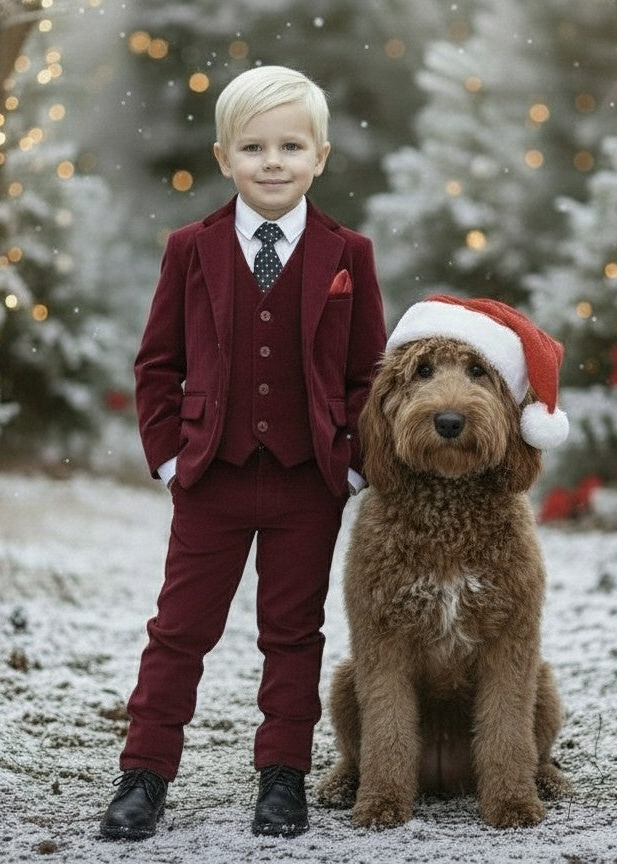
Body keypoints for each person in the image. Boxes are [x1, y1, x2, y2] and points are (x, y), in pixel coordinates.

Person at [99, 65, 387, 840]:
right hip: (211, 477)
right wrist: (168, 458)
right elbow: (158, 363)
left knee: (292, 634)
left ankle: (282, 777)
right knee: (180, 628)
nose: (272, 162)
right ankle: (144, 774)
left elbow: (367, 374)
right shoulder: (191, 249)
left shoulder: (348, 254)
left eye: (290, 146)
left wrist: (353, 461)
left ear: (320, 156)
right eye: (253, 146)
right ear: (224, 156)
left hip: (307, 482)